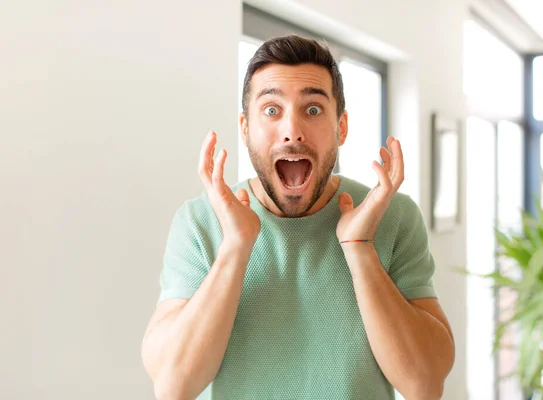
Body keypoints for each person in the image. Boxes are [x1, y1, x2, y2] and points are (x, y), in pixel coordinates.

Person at [141, 35, 455, 400]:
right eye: (272, 110)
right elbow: (173, 386)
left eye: (313, 110)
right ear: (245, 128)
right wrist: (235, 247)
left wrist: (360, 248)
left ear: (341, 127)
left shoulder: (393, 215)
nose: (292, 131)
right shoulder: (199, 221)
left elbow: (425, 383)